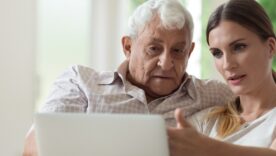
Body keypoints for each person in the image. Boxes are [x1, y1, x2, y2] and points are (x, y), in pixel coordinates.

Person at [23, 0, 233, 156]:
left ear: (190, 53)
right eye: (154, 49)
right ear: (128, 47)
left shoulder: (212, 93)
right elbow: (34, 147)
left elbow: (263, 97)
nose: (166, 63)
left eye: (178, 51)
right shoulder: (81, 83)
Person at [168, 0, 276, 155]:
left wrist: (208, 148)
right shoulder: (207, 121)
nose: (227, 65)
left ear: (270, 47)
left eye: (239, 47)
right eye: (217, 53)